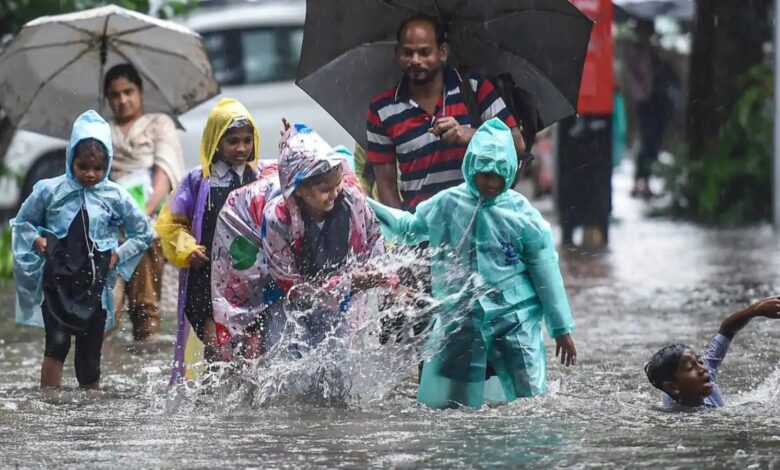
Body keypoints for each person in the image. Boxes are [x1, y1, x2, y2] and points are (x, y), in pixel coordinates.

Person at [368, 118, 577, 409]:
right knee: (450, 407)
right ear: (471, 168)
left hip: (513, 318)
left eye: (498, 174)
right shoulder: (448, 203)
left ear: (509, 171)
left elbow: (546, 272)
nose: (491, 182)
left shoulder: (524, 217)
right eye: (484, 174)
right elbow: (409, 227)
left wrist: (561, 329)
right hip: (463, 317)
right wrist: (363, 202)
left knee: (531, 402)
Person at [11, 110, 152, 389]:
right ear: (70, 160)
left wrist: (117, 256)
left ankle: (90, 419)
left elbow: (143, 232)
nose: (90, 174)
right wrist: (38, 240)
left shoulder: (115, 196)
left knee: (89, 360)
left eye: (98, 168)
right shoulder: (49, 191)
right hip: (57, 283)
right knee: (57, 345)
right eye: (83, 166)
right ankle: (50, 404)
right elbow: (23, 221)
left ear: (108, 163)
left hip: (95, 286)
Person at [366, 14, 524, 213]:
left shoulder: (474, 88)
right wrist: (403, 232)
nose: (415, 60)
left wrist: (470, 135)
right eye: (407, 53)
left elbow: (517, 144)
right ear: (397, 52)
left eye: (424, 52)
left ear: (442, 52)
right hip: (422, 232)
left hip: (480, 225)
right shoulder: (381, 109)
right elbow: (386, 186)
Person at [156, 98, 264, 383]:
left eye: (246, 140)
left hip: (250, 279)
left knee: (253, 351)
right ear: (216, 142)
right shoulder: (197, 181)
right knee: (215, 349)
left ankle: (245, 411)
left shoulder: (260, 177)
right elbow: (170, 224)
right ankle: (211, 407)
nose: (242, 148)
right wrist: (187, 249)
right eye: (232, 141)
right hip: (207, 279)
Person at [262, 123, 387, 354]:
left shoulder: (351, 200)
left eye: (337, 183)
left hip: (332, 284)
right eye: (324, 189)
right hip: (281, 291)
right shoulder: (277, 220)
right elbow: (292, 288)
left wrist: (384, 279)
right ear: (298, 189)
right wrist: (350, 283)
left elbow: (374, 237)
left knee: (336, 359)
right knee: (284, 357)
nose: (335, 193)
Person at [103, 63, 185, 342]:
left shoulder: (158, 124)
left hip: (148, 222)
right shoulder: (102, 132)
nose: (122, 100)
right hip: (109, 227)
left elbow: (165, 173)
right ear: (107, 99)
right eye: (115, 95)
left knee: (145, 306)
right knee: (104, 312)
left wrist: (141, 215)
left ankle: (145, 346)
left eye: (128, 92)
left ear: (140, 92)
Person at [645, 296, 780, 410]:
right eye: (691, 368)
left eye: (699, 361)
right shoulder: (672, 418)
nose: (704, 368)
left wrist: (754, 310)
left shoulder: (706, 370)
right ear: (673, 387)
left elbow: (726, 331)